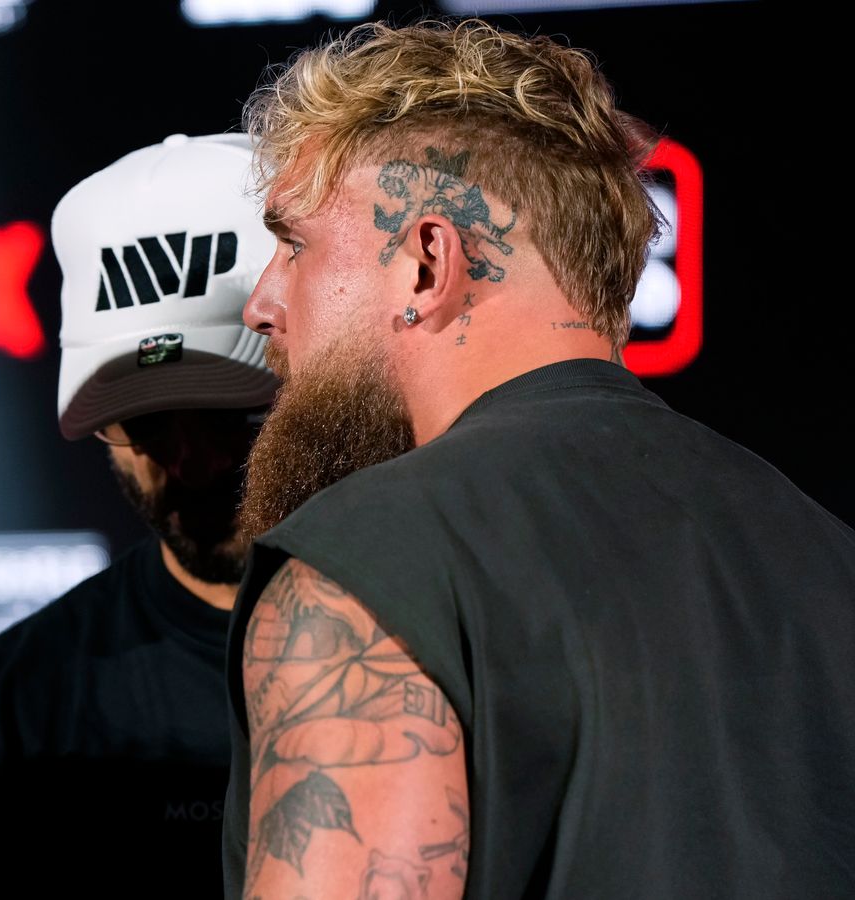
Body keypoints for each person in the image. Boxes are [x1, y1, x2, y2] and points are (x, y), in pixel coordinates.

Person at [222, 18, 855, 900]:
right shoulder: (825, 553)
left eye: (293, 245)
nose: (261, 303)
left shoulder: (368, 565)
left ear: (426, 262)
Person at [0, 134, 278, 898]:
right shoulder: (0, 711)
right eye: (143, 425)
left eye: (227, 418)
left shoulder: (462, 636)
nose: (191, 462)